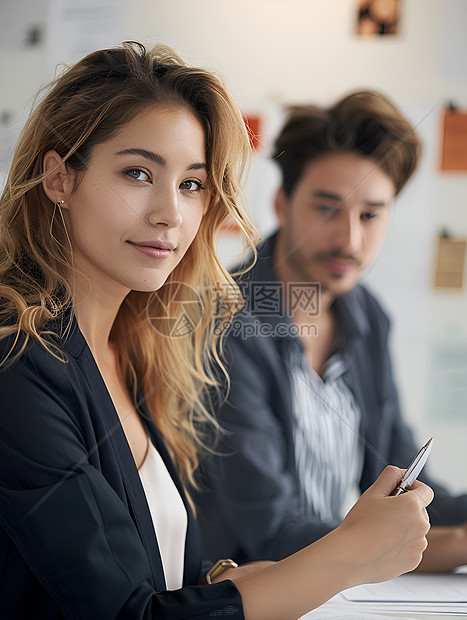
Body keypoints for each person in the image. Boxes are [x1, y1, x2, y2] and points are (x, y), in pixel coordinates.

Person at [0, 44, 433, 619]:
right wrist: (348, 556)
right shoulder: (19, 361)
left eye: (191, 185)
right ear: (58, 179)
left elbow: (138, 573)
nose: (170, 214)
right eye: (137, 173)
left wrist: (218, 579)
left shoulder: (135, 348)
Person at [194, 90, 467, 573]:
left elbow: (399, 477)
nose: (349, 239)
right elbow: (267, 530)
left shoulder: (365, 315)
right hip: (237, 589)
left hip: (334, 589)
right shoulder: (226, 319)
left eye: (370, 214)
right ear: (282, 204)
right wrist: (454, 546)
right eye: (326, 209)